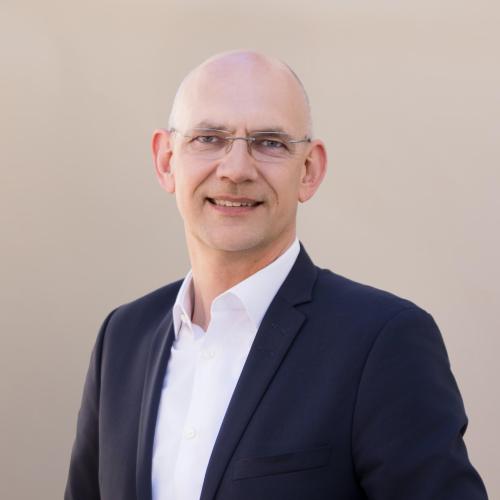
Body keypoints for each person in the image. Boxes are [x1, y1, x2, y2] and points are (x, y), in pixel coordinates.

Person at [65, 50, 488, 500]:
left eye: (269, 143)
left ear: (309, 170)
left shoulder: (383, 342)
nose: (235, 170)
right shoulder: (122, 338)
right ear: (166, 160)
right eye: (208, 138)